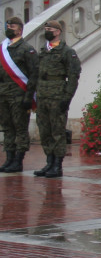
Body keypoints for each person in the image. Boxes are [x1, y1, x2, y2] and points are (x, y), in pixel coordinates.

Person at [33, 19, 81, 179]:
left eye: (50, 28)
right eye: (46, 28)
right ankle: (49, 161)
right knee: (44, 130)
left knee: (57, 131)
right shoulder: (43, 51)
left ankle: (57, 165)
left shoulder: (67, 52)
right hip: (42, 95)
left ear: (58, 31)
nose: (47, 30)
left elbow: (73, 76)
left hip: (57, 95)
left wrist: (67, 97)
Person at [0, 17, 39, 173]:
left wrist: (29, 96)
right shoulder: (3, 48)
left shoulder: (26, 49)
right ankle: (9, 159)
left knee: (20, 128)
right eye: (8, 25)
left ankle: (18, 160)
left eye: (13, 26)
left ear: (20, 29)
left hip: (19, 95)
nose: (9, 27)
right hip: (3, 95)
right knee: (7, 128)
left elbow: (34, 73)